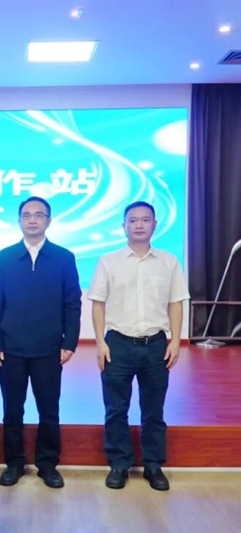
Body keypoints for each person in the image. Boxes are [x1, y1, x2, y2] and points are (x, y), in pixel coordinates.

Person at [89, 201, 189, 491]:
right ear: (124, 226)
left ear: (155, 225)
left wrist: (176, 341)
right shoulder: (109, 261)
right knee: (116, 409)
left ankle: (153, 465)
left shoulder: (169, 262)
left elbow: (176, 302)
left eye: (145, 220)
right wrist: (100, 342)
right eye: (133, 220)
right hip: (117, 344)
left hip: (156, 345)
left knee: (154, 410)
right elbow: (98, 304)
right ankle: (119, 464)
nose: (139, 225)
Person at [0, 197, 82, 489]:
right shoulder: (4, 257)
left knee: (49, 409)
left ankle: (48, 464)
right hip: (11, 348)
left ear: (48, 221)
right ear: (19, 220)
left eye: (39, 215)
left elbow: (72, 302)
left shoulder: (64, 258)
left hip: (49, 348)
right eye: (26, 215)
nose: (32, 220)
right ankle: (14, 463)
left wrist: (70, 341)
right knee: (12, 410)